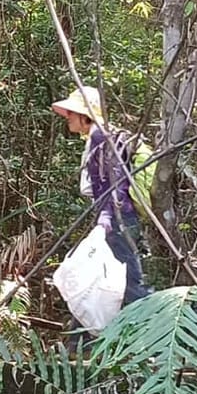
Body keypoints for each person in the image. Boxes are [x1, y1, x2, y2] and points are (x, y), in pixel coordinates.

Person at [50, 85, 151, 308]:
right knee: (111, 282)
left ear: (85, 116)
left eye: (72, 113)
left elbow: (115, 183)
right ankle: (84, 337)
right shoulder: (99, 137)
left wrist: (105, 219)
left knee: (132, 285)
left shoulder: (101, 138)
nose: (67, 117)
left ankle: (157, 326)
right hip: (118, 219)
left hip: (118, 219)